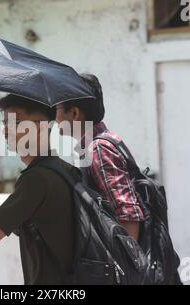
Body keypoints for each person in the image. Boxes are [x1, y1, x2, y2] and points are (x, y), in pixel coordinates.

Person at [0, 94, 78, 285]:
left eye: (16, 122)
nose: (6, 131)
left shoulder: (36, 179)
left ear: (41, 126)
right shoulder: (65, 169)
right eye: (5, 123)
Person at [55, 73, 144, 240]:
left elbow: (128, 214)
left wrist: (129, 263)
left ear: (74, 113)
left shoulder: (98, 148)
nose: (55, 118)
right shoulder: (94, 145)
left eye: (57, 109)